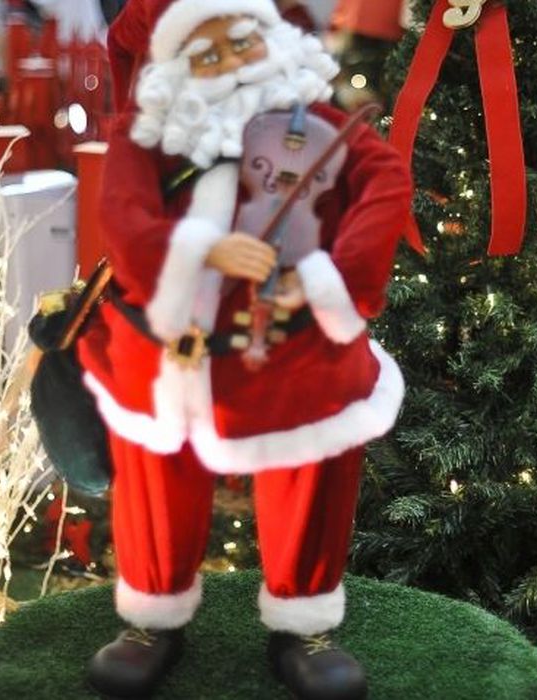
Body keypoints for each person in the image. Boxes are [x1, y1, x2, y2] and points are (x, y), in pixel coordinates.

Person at [78, 1, 412, 698]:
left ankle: (305, 625)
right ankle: (152, 615)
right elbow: (124, 218)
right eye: (206, 56)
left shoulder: (319, 127)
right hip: (169, 351)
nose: (230, 64)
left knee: (311, 471)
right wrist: (198, 249)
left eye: (241, 43)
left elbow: (384, 182)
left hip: (292, 351)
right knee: (153, 479)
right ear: (171, 70)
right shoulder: (147, 139)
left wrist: (327, 278)